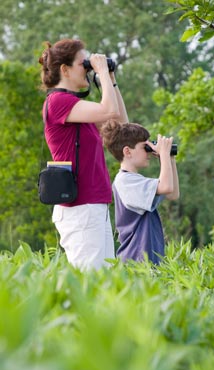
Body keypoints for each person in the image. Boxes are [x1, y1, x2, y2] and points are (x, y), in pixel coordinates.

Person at [38, 38, 128, 270]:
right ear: (65, 70)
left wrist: (111, 79)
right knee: (91, 284)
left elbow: (120, 123)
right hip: (80, 208)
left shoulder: (78, 109)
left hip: (92, 204)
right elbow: (109, 109)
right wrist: (102, 74)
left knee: (103, 284)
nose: (88, 68)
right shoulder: (58, 102)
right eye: (83, 64)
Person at [101, 121, 180, 265]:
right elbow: (166, 187)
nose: (149, 151)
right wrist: (163, 155)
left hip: (148, 261)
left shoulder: (136, 181)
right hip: (137, 262)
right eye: (145, 147)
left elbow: (172, 193)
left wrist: (169, 158)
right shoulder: (126, 182)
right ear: (127, 151)